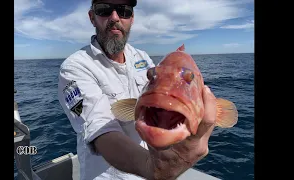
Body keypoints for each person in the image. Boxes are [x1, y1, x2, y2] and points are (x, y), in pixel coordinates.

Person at [57, 0, 217, 179]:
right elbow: (100, 130)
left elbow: (159, 98)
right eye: (104, 10)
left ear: (132, 18)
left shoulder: (142, 57)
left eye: (124, 11)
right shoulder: (75, 66)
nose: (115, 17)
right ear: (92, 17)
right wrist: (153, 168)